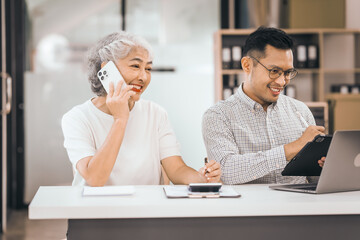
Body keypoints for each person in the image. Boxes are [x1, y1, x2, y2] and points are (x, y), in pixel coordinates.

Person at [62, 31, 221, 187]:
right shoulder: (77, 118)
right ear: (107, 69)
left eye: (148, 69)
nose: (143, 77)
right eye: (135, 66)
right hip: (97, 210)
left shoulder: (156, 113)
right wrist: (120, 119)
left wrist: (201, 178)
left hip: (147, 210)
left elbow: (177, 169)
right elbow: (94, 179)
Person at [202, 27, 325, 185]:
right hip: (248, 208)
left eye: (287, 73)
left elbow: (315, 179)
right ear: (247, 65)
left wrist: (324, 166)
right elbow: (227, 170)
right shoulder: (218, 116)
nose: (282, 82)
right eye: (274, 71)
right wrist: (292, 148)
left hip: (298, 207)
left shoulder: (300, 111)